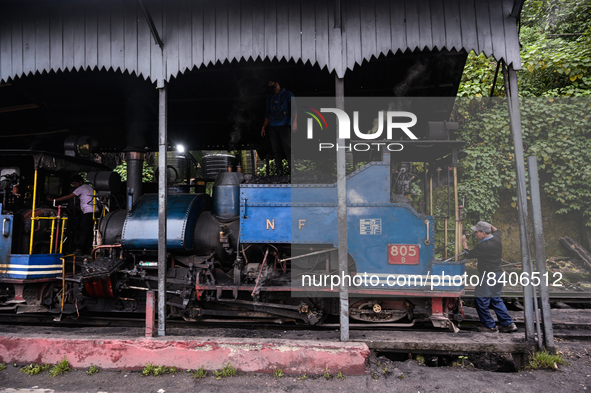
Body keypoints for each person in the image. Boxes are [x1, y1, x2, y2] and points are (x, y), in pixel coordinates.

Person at [462, 221, 518, 333]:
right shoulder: (496, 238)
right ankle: (508, 324)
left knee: (481, 300)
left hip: (488, 277)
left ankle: (489, 326)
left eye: (477, 232)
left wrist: (464, 242)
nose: (475, 234)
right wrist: (487, 224)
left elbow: (468, 254)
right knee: (496, 299)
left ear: (483, 232)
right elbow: (496, 230)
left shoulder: (484, 246)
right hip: (498, 275)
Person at [46, 174, 97, 256]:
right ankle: (89, 248)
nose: (74, 186)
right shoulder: (89, 187)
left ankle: (79, 249)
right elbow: (89, 198)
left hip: (88, 212)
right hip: (94, 211)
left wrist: (53, 200)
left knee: (83, 231)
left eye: (75, 184)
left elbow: (67, 197)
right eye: (73, 184)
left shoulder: (80, 188)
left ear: (80, 182)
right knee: (89, 231)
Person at [261, 77, 297, 176]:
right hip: (273, 127)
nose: (269, 85)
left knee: (288, 149)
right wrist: (264, 127)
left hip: (285, 125)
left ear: (277, 83)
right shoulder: (270, 98)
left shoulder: (287, 94)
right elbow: (267, 114)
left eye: (271, 83)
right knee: (276, 150)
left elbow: (294, 109)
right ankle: (279, 172)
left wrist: (294, 122)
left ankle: (292, 171)